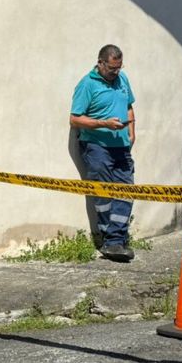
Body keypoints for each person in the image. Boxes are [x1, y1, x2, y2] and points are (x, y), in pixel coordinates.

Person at [70, 44, 136, 263]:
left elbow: (129, 106)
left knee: (126, 190)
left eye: (119, 68)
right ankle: (109, 239)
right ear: (100, 63)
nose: (115, 72)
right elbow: (75, 118)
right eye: (111, 68)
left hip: (121, 147)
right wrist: (103, 123)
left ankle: (117, 238)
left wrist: (131, 133)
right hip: (96, 147)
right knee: (104, 192)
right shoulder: (87, 84)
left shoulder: (122, 79)